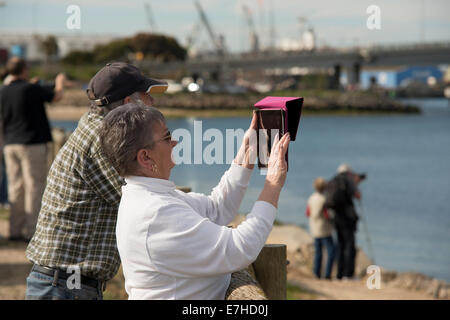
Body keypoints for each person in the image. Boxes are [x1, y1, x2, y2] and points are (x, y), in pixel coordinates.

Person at [99, 103, 290, 299]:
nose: (174, 142)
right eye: (166, 137)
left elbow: (217, 209)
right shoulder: (156, 213)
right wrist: (273, 184)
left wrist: (246, 154)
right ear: (146, 158)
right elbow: (240, 249)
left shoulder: (148, 197)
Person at [25, 62, 168, 300]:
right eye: (146, 97)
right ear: (127, 104)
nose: (152, 103)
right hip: (65, 286)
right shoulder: (102, 139)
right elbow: (145, 201)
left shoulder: (97, 128)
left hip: (65, 284)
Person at [0, 57, 66, 242]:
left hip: (10, 144)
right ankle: (32, 231)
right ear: (24, 70)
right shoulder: (31, 89)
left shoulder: (3, 90)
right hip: (32, 144)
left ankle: (14, 230)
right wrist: (60, 83)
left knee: (15, 187)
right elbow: (56, 96)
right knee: (34, 187)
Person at [325, 163, 364, 280]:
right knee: (349, 245)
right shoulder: (348, 181)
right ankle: (348, 274)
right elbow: (357, 195)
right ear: (348, 172)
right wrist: (356, 184)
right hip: (348, 217)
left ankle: (339, 274)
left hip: (337, 217)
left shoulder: (332, 181)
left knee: (340, 245)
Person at [306, 177, 335, 279]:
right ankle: (327, 274)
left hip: (314, 228)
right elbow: (327, 215)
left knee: (318, 252)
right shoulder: (324, 199)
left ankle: (316, 273)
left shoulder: (311, 198)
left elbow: (308, 213)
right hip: (324, 229)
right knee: (331, 251)